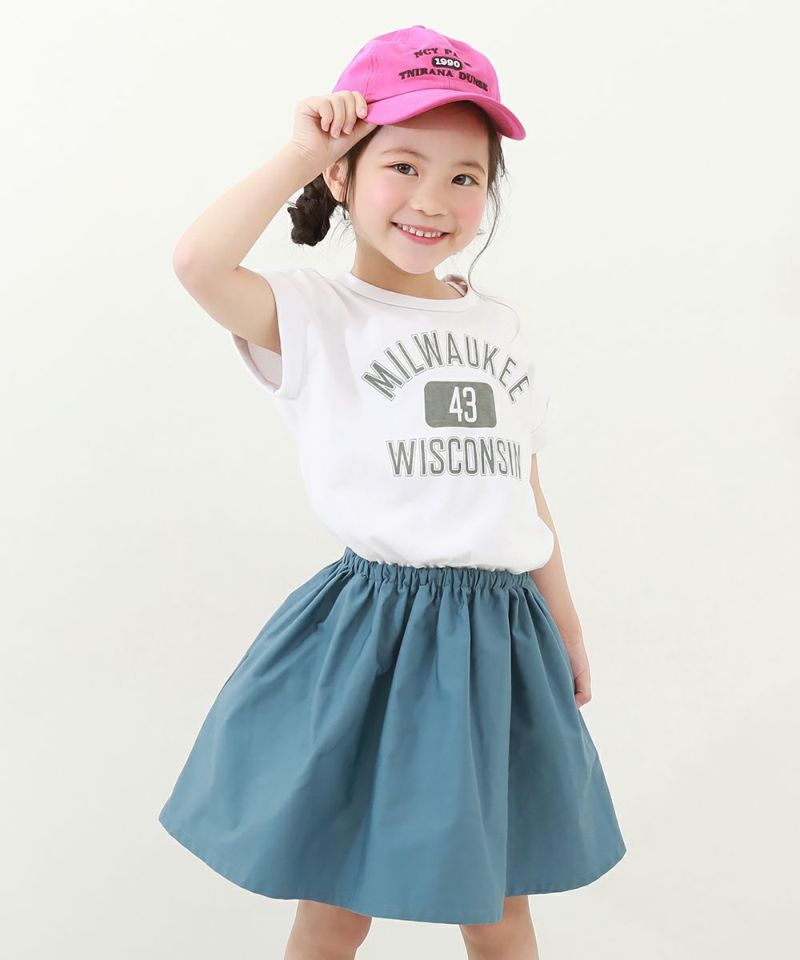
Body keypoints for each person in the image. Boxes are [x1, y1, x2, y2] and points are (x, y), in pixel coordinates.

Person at [158, 24, 626, 960]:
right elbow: (197, 264)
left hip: (502, 635)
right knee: (337, 900)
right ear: (344, 174)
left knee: (498, 902)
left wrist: (566, 624)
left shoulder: (498, 325)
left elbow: (523, 488)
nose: (432, 199)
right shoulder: (315, 314)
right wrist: (301, 151)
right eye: (402, 166)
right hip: (378, 631)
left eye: (464, 176)